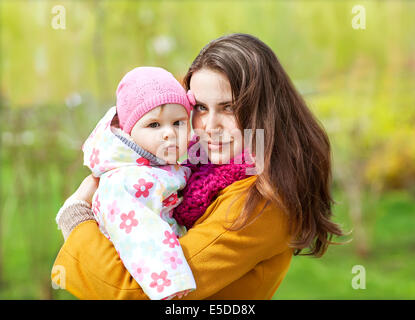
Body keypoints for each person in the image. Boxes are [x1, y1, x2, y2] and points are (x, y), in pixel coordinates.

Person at [51, 33, 345, 300]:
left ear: (264, 111)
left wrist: (77, 216)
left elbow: (136, 291)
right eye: (201, 108)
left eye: (229, 107)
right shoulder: (195, 170)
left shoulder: (260, 202)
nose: (209, 126)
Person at [56, 66, 202, 299]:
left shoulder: (159, 166)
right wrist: (169, 282)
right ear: (129, 131)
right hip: (151, 277)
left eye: (178, 123)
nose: (169, 133)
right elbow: (141, 233)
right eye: (154, 125)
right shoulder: (125, 182)